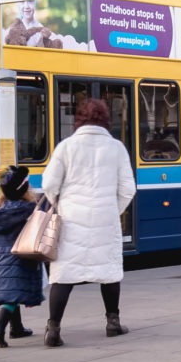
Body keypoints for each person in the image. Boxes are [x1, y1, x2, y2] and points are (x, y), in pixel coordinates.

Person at [41, 98, 138, 345]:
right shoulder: (116, 148)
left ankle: (53, 329)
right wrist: (111, 210)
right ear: (106, 119)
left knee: (64, 273)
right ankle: (112, 322)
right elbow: (128, 188)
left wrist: (60, 204)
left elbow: (49, 184)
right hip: (105, 217)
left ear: (79, 119)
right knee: (109, 271)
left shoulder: (66, 147)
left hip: (71, 218)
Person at [0, 165, 42, 346]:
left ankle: (17, 328)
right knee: (14, 292)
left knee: (13, 289)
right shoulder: (27, 209)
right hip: (17, 254)